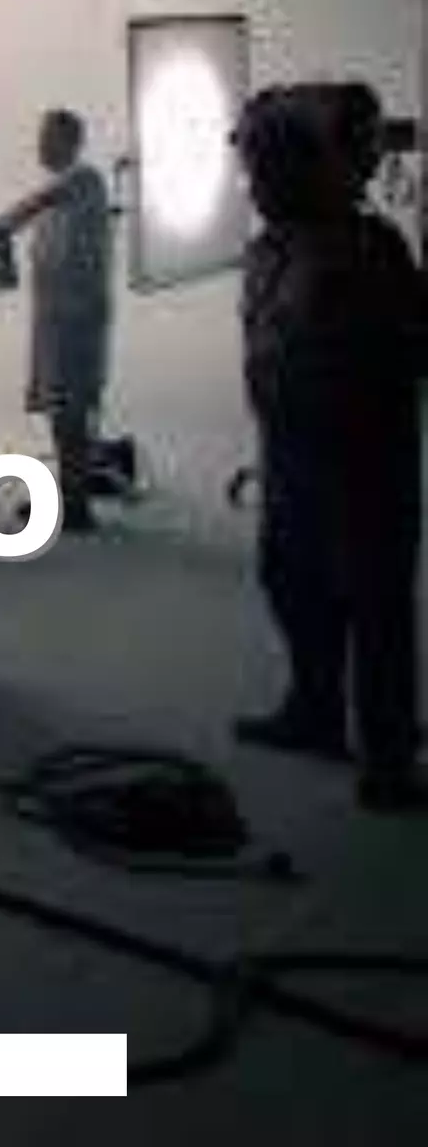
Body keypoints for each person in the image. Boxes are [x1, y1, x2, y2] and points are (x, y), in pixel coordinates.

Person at [233, 84, 425, 812]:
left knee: (376, 608)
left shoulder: (370, 250)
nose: (253, 186)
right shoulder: (272, 250)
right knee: (290, 582)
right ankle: (314, 709)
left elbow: (409, 349)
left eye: (263, 170)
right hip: (292, 454)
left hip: (364, 463)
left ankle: (389, 759)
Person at [0, 109, 114, 532]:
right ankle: (71, 493)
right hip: (54, 318)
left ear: (70, 142)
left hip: (76, 317)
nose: (40, 146)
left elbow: (39, 200)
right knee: (61, 409)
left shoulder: (84, 179)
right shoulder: (59, 195)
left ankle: (76, 505)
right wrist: (5, 256)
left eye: (48, 138)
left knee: (70, 410)